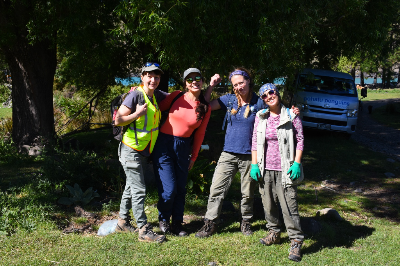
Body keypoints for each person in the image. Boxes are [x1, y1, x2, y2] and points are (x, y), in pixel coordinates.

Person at [195, 67, 264, 237]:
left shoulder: (260, 102)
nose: (239, 87)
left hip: (250, 155)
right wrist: (211, 85)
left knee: (247, 193)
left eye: (241, 82)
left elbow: (277, 113)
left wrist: (294, 114)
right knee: (216, 189)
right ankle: (210, 222)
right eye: (235, 85)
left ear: (248, 81)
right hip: (228, 153)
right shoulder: (230, 100)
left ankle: (246, 222)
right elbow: (205, 105)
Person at [153, 68, 219, 236]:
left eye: (198, 78)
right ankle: (163, 219)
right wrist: (137, 93)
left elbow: (200, 134)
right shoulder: (176, 96)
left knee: (181, 188)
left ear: (202, 81)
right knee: (169, 189)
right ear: (185, 84)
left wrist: (194, 157)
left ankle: (177, 223)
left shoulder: (205, 107)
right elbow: (155, 108)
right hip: (163, 144)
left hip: (183, 147)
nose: (194, 81)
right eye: (190, 79)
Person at [114, 62, 168, 243]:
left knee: (131, 186)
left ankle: (122, 221)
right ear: (142, 77)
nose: (153, 80)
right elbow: (118, 120)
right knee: (139, 189)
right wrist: (136, 114)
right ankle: (144, 230)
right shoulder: (135, 95)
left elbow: (175, 97)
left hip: (143, 150)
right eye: (149, 76)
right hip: (130, 149)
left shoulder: (154, 96)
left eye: (157, 77)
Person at [250, 83, 305, 262]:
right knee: (268, 203)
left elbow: (300, 140)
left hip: (285, 169)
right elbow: (255, 141)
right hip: (265, 168)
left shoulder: (291, 114)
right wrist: (254, 164)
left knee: (289, 206)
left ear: (277, 93)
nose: (269, 96)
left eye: (271, 92)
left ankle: (296, 240)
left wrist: (296, 163)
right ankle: (274, 232)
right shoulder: (261, 116)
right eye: (264, 95)